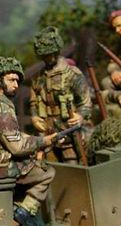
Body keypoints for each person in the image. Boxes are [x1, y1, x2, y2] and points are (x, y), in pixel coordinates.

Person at [0, 56, 57, 226]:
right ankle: (24, 211)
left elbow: (12, 136)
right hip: (3, 168)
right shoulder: (4, 112)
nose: (16, 84)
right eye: (11, 80)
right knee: (47, 172)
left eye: (17, 81)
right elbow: (17, 147)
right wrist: (42, 142)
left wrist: (37, 139)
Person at [29, 26, 92, 163]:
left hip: (68, 129)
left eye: (49, 54)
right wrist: (34, 117)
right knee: (48, 166)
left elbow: (85, 102)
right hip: (47, 131)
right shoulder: (38, 78)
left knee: (72, 163)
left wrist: (80, 116)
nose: (46, 58)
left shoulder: (72, 74)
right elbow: (34, 102)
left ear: (57, 51)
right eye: (43, 55)